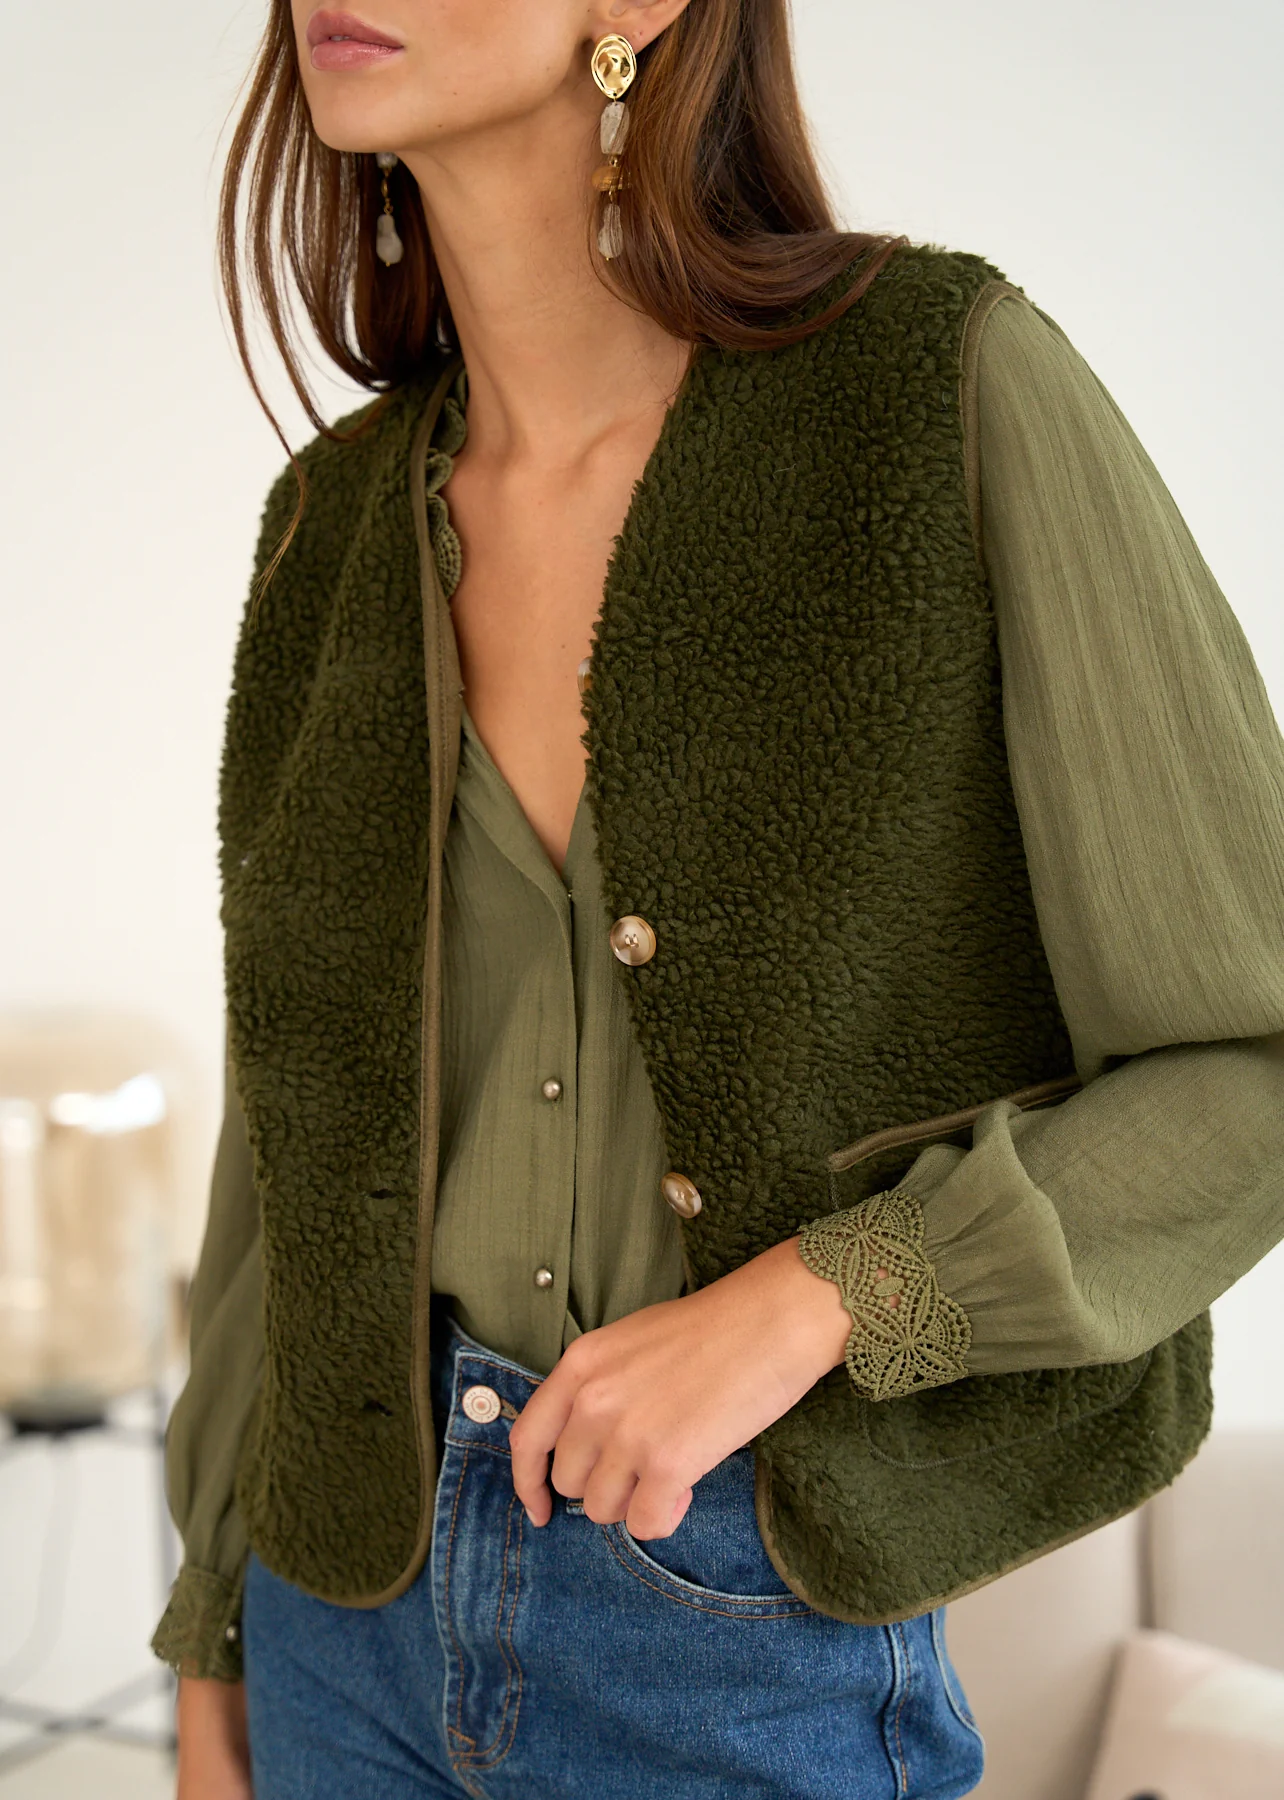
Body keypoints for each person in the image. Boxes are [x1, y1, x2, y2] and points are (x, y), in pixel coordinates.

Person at [152, 1, 1284, 1795]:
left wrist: (818, 1299)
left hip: (736, 1624)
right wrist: (216, 1617)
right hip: (337, 1636)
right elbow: (283, 1146)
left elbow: (1249, 1067)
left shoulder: (939, 389)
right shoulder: (328, 524)